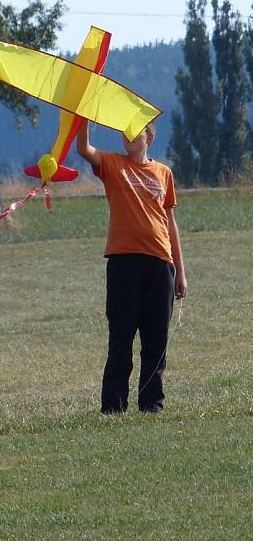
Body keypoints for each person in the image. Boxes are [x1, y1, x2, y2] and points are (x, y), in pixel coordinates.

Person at [76, 120, 187, 414]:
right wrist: (81, 119)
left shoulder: (164, 173)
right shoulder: (113, 165)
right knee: (121, 337)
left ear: (149, 136)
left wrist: (180, 271)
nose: (127, 137)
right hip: (123, 262)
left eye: (134, 132)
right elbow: (84, 149)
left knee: (156, 340)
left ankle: (152, 404)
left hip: (160, 265)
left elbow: (170, 224)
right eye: (122, 132)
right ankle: (113, 406)